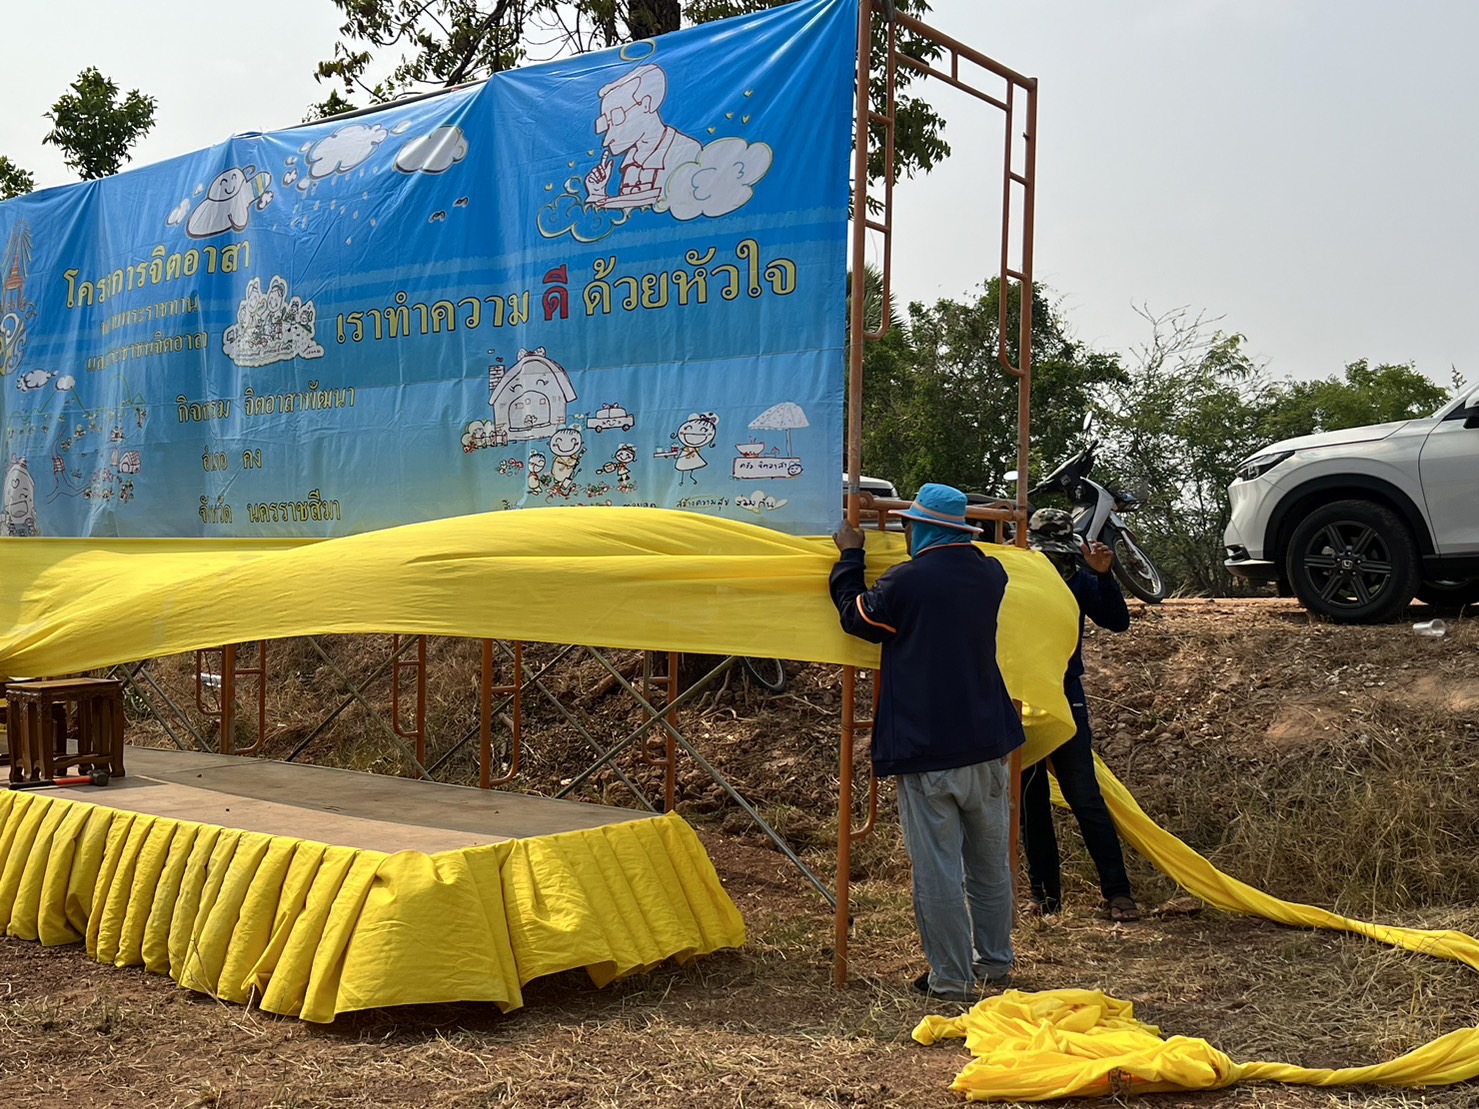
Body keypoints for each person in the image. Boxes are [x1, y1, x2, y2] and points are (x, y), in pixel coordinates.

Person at [829, 483, 1025, 1002]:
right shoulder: (991, 574)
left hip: (927, 746)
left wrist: (850, 557)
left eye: (909, 525)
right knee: (989, 864)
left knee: (938, 871)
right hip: (988, 742)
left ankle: (952, 980)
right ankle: (995, 962)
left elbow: (858, 618)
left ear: (924, 528)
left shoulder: (908, 580)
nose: (905, 532)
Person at [1020, 508, 1139, 922]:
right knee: (1030, 801)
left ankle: (1118, 893)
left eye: (1060, 555)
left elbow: (1117, 621)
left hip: (1063, 694)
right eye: (1047, 554)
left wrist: (1104, 576)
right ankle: (1044, 897)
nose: (1054, 563)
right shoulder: (1016, 575)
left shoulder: (1079, 578)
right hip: (1021, 697)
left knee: (1084, 795)